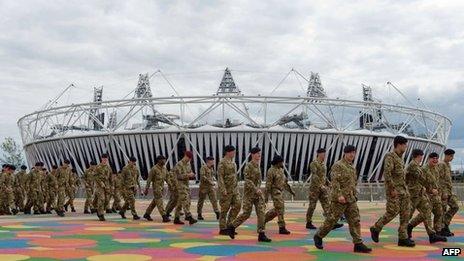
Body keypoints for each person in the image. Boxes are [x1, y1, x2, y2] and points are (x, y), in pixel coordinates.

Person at [314, 145, 372, 253]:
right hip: (339, 199)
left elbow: (353, 183)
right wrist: (339, 195)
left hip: (350, 199)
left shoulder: (352, 167)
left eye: (354, 152)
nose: (352, 155)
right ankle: (318, 235)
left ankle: (358, 244)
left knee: (355, 220)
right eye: (350, 152)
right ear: (344, 153)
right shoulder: (338, 165)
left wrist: (354, 194)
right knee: (332, 220)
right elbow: (335, 182)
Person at [371, 136, 414, 247]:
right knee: (392, 212)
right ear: (399, 145)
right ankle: (376, 228)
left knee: (406, 214)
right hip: (394, 191)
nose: (406, 147)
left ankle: (403, 238)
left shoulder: (400, 158)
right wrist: (391, 189)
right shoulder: (390, 156)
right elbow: (387, 173)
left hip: (403, 191)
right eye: (405, 144)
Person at [228, 147, 271, 242]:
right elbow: (247, 180)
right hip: (249, 195)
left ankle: (261, 233)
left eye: (260, 153)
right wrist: (256, 189)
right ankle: (232, 226)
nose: (259, 155)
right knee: (246, 214)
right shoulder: (248, 166)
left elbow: (258, 180)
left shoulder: (257, 166)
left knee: (261, 214)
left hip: (257, 195)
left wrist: (259, 190)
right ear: (252, 154)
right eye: (257, 153)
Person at [405, 149, 446, 243]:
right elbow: (422, 181)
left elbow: (437, 182)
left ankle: (434, 234)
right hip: (418, 195)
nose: (435, 160)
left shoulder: (434, 169)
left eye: (437, 158)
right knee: (409, 215)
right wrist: (430, 190)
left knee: (430, 212)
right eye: (433, 158)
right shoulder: (418, 167)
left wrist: (440, 191)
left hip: (426, 194)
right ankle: (406, 230)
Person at [306, 148, 343, 230]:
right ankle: (308, 222)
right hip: (314, 189)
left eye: (325, 154)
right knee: (312, 206)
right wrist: (320, 185)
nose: (324, 156)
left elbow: (324, 176)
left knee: (327, 205)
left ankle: (331, 223)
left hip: (323, 189)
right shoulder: (314, 163)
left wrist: (329, 183)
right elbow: (314, 176)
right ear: (318, 154)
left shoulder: (324, 165)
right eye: (323, 154)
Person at [264, 155, 295, 235]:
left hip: (281, 192)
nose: (282, 163)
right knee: (280, 208)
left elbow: (285, 183)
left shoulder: (281, 170)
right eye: (281, 162)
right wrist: (266, 196)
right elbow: (268, 185)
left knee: (278, 209)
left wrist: (291, 191)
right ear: (277, 162)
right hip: (275, 192)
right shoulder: (271, 171)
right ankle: (282, 227)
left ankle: (263, 219)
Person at [218, 145, 241, 235]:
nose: (234, 153)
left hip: (234, 190)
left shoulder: (233, 163)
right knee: (224, 209)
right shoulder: (222, 163)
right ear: (228, 152)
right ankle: (223, 228)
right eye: (233, 152)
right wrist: (223, 189)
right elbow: (220, 177)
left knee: (238, 205)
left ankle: (230, 225)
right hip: (226, 190)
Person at [437, 149, 459, 236]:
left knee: (455, 206)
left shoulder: (448, 165)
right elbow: (439, 180)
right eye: (451, 156)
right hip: (443, 192)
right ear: (447, 155)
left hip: (449, 192)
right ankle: (442, 229)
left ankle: (445, 224)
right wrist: (443, 192)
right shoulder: (441, 164)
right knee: (442, 210)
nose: (452, 158)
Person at [143, 155, 171, 222]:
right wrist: (146, 189)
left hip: (161, 188)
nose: (164, 161)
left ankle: (147, 214)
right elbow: (149, 179)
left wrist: (171, 185)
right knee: (160, 202)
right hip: (156, 188)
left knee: (155, 202)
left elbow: (167, 178)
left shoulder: (164, 169)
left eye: (165, 159)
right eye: (163, 160)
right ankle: (164, 216)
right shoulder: (154, 169)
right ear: (159, 160)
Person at [173, 151, 197, 225]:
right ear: (185, 156)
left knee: (181, 201)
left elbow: (190, 172)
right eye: (188, 158)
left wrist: (192, 174)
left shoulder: (188, 164)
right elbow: (179, 176)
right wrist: (188, 175)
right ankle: (188, 216)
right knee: (185, 199)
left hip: (186, 184)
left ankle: (176, 218)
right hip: (180, 185)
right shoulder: (179, 164)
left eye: (190, 159)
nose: (189, 160)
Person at [197, 156, 220, 220]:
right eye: (212, 161)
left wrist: (214, 181)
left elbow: (212, 176)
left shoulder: (211, 168)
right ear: (208, 161)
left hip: (210, 187)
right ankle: (199, 214)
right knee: (201, 201)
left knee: (214, 200)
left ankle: (217, 212)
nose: (213, 162)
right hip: (203, 187)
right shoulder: (203, 167)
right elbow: (203, 176)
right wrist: (210, 182)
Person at [94, 154, 112, 221]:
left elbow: (110, 177)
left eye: (106, 159)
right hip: (100, 186)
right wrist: (100, 183)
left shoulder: (108, 167)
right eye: (104, 159)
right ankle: (101, 214)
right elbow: (95, 176)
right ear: (101, 159)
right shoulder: (98, 167)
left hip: (107, 186)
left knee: (107, 200)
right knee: (102, 199)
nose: (105, 160)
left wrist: (111, 185)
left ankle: (99, 209)